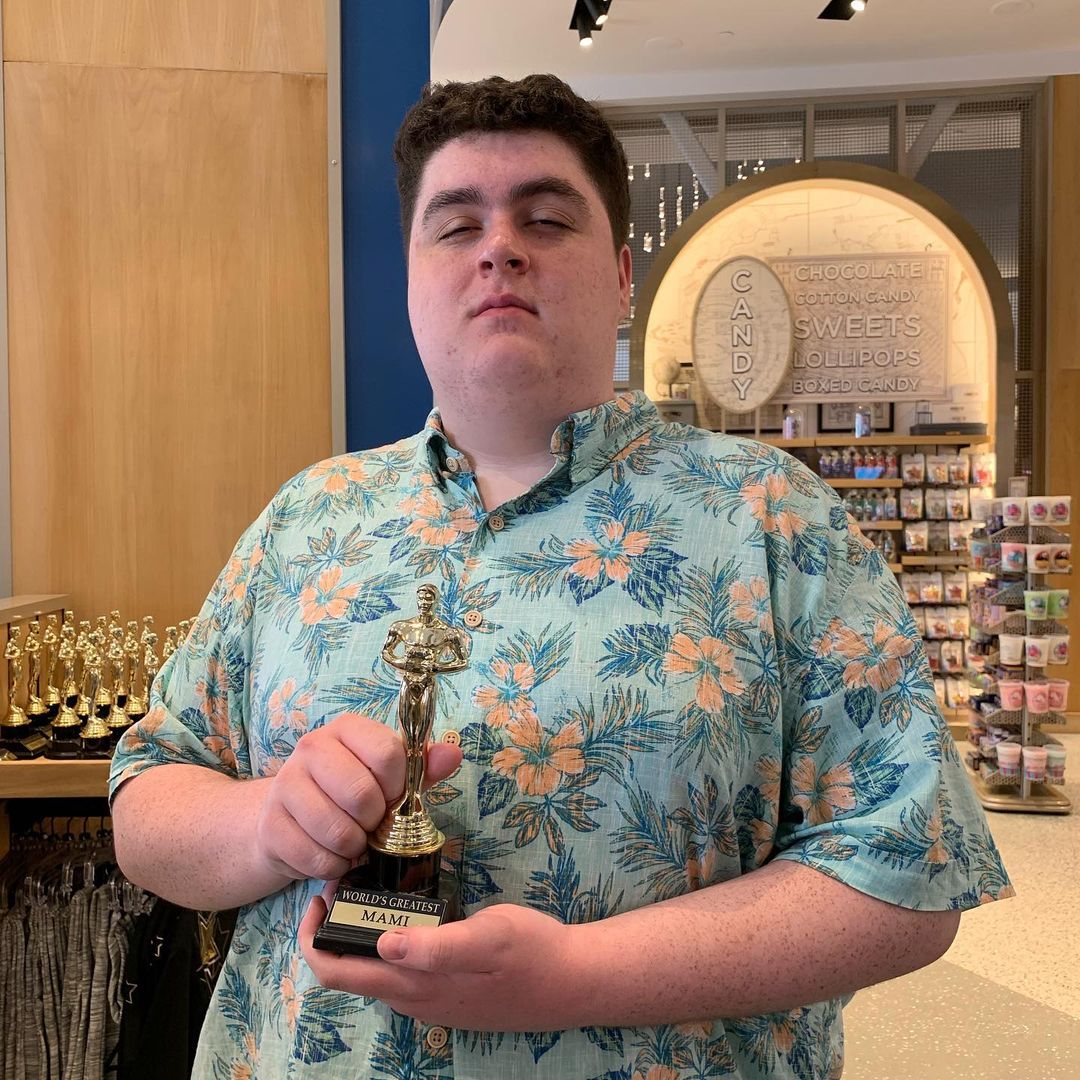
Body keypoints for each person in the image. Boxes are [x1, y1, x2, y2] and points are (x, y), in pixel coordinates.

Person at [111, 74, 1012, 1079]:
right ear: (410, 279)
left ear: (623, 276)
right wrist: (269, 822)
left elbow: (909, 874)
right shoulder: (304, 520)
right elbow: (148, 799)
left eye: (545, 218)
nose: (499, 247)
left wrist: (574, 977)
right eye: (456, 227)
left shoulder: (773, 517)